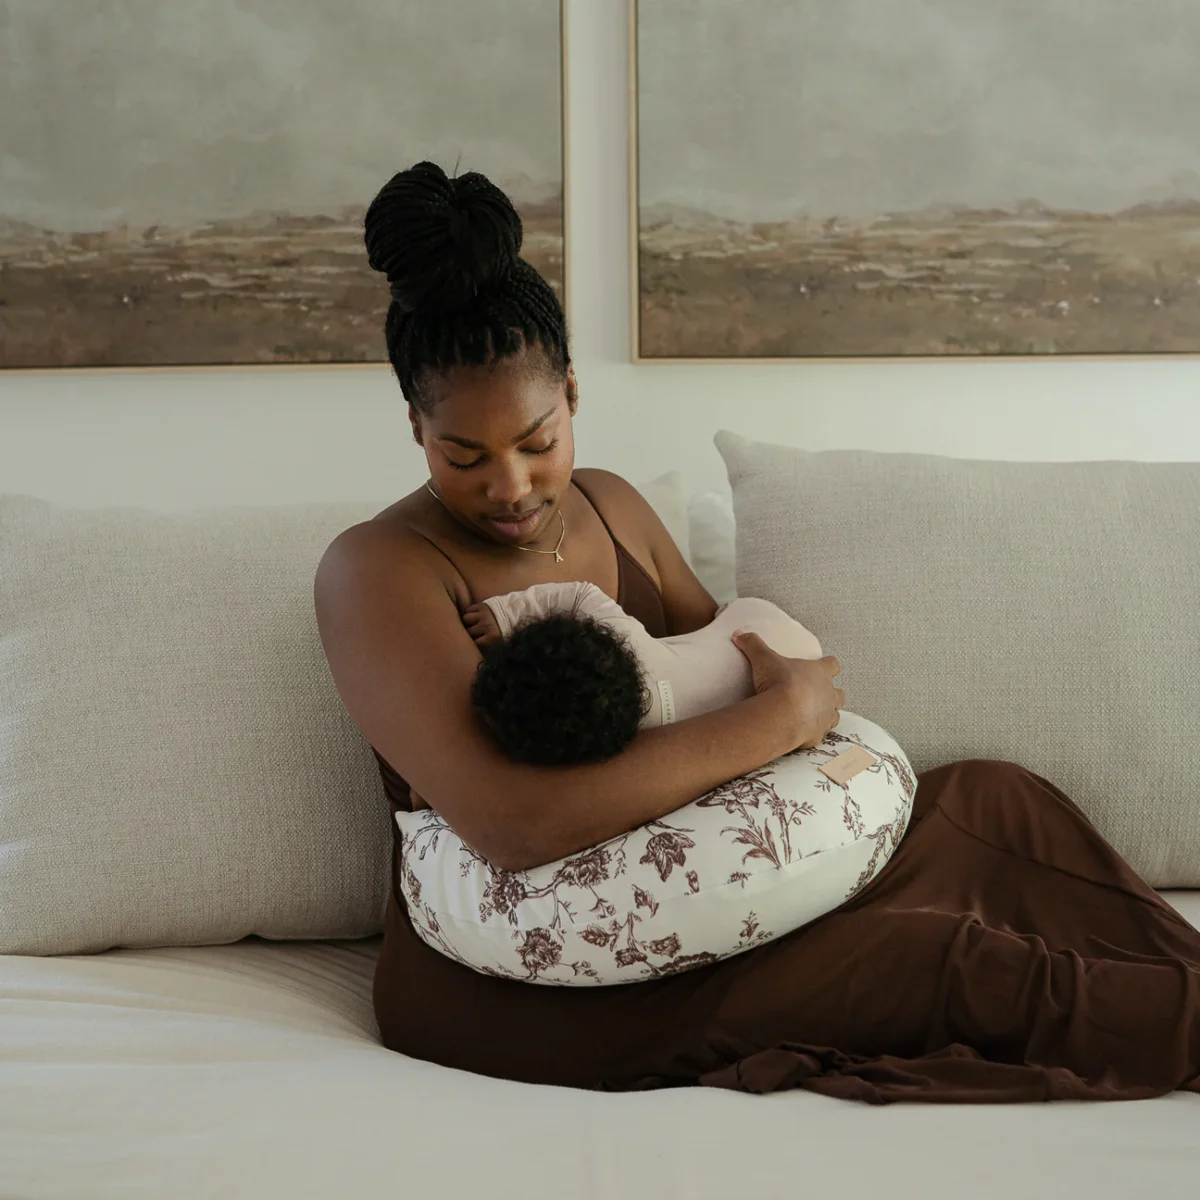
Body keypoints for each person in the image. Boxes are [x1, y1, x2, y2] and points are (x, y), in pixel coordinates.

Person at [314, 160, 1200, 1103]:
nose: (512, 487)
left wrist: (791, 711)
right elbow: (513, 824)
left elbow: (728, 661)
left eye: (537, 442)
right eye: (466, 456)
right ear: (415, 427)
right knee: (938, 961)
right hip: (538, 974)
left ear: (572, 393)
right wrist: (790, 715)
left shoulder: (612, 506)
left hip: (713, 871)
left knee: (997, 800)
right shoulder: (379, 569)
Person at [465, 581, 823, 766]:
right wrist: (506, 613)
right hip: (762, 626)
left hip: (801, 663)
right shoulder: (627, 638)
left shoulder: (640, 748)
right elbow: (581, 593)